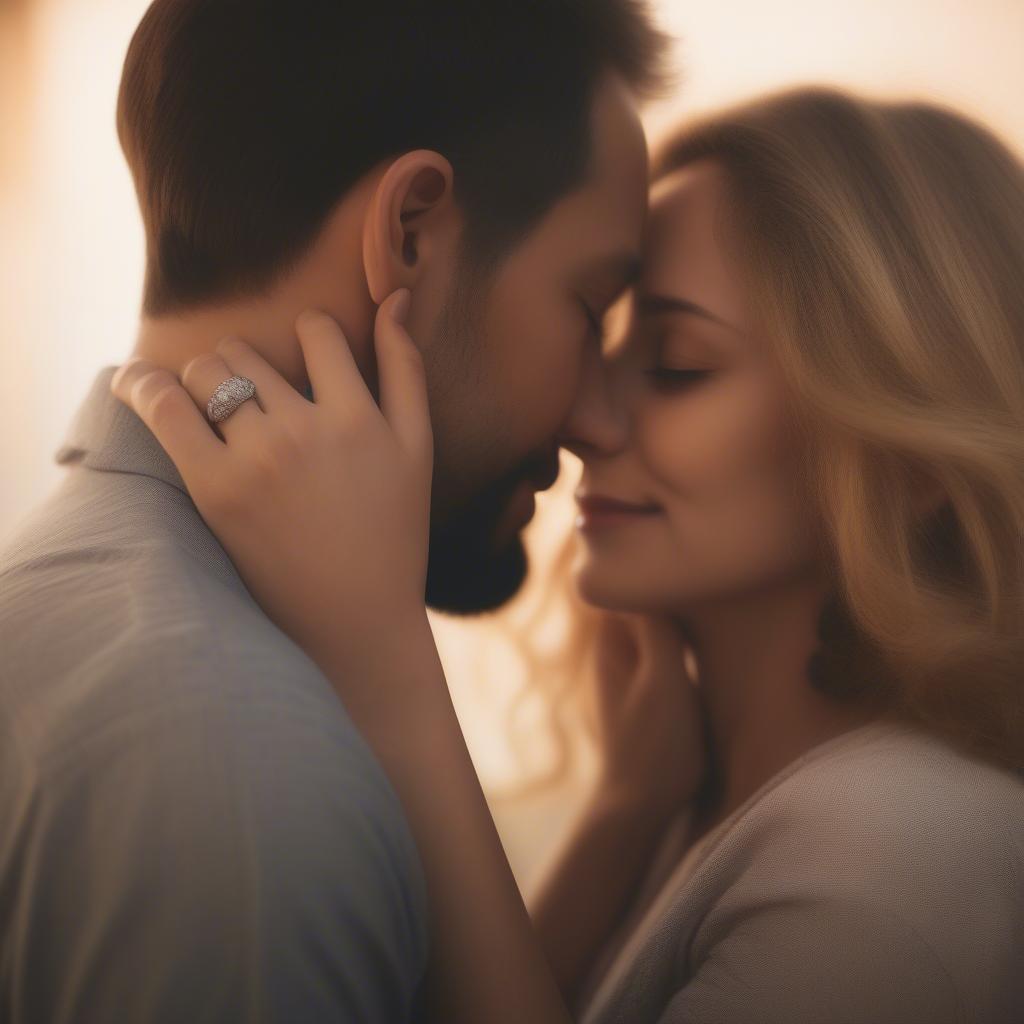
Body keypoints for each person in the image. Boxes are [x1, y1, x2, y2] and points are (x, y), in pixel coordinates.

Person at [114, 86, 1024, 1023]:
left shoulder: (893, 865)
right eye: (599, 331)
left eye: (676, 364)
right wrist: (619, 825)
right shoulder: (700, 801)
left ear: (912, 460)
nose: (586, 418)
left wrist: (383, 662)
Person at [0, 1, 671, 1021]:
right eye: (589, 304)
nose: (591, 416)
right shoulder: (247, 774)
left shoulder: (56, 598)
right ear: (410, 232)